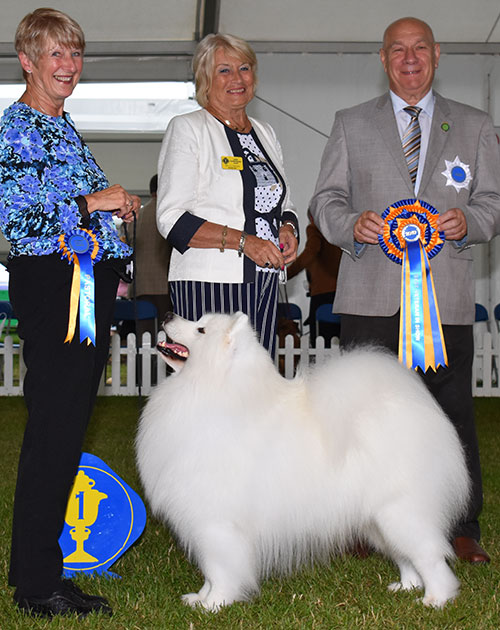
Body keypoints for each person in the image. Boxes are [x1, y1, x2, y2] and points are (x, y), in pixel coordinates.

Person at [310, 16, 500, 564]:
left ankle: (461, 525)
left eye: (420, 48)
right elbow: (324, 200)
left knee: (452, 413)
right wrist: (351, 226)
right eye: (398, 49)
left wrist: (472, 222)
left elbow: (493, 201)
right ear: (382, 58)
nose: (409, 58)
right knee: (361, 414)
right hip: (368, 294)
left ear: (437, 55)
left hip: (445, 296)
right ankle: (361, 523)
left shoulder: (475, 123)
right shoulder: (350, 123)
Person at [0, 8, 140, 617]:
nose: (69, 66)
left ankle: (39, 572)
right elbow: (18, 223)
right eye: (55, 55)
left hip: (84, 292)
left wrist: (117, 224)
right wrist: (93, 201)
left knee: (63, 432)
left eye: (75, 55)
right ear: (27, 60)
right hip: (52, 290)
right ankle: (36, 584)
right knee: (53, 436)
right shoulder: (16, 128)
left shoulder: (63, 127)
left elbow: (79, 214)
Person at [156, 33, 298, 357]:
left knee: (256, 388)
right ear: (205, 78)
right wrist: (246, 242)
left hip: (263, 283)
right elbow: (171, 220)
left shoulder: (266, 133)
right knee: (212, 391)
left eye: (244, 68)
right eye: (224, 70)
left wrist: (288, 229)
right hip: (209, 284)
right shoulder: (188, 128)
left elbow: (284, 203)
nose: (237, 79)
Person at [127, 174, 172, 340]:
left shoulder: (136, 217)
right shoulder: (167, 217)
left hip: (139, 286)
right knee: (167, 336)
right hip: (164, 286)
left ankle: (141, 367)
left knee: (143, 338)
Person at [287, 212, 342, 346]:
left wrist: (287, 273)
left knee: (320, 342)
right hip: (341, 292)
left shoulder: (315, 227)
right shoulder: (339, 228)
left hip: (322, 292)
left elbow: (311, 251)